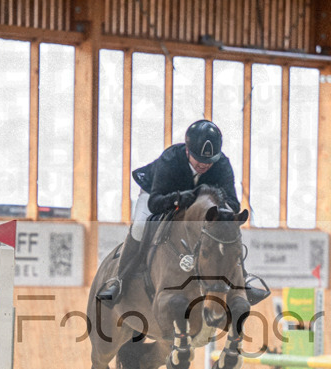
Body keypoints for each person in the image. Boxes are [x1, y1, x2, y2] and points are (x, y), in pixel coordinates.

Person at [96, 119, 241, 303]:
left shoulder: (221, 164)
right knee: (140, 227)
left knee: (228, 230)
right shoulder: (170, 159)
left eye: (209, 161)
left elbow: (234, 204)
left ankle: (244, 281)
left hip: (196, 208)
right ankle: (119, 280)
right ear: (187, 150)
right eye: (199, 159)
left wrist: (220, 206)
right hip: (158, 194)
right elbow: (154, 204)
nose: (204, 165)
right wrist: (177, 198)